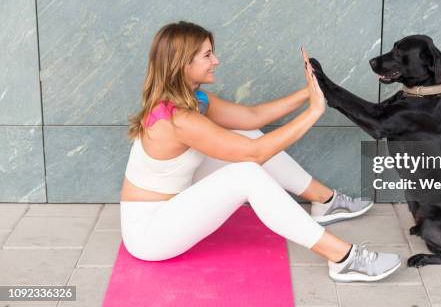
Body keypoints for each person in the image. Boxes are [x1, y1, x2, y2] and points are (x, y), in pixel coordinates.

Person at [120, 21, 401, 282]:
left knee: (244, 133)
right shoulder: (178, 118)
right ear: (183, 63)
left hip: (172, 200)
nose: (215, 61)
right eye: (207, 56)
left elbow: (251, 117)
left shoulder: (193, 99)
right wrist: (314, 112)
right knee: (246, 173)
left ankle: (324, 201)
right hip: (150, 233)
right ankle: (343, 258)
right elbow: (254, 154)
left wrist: (311, 91)